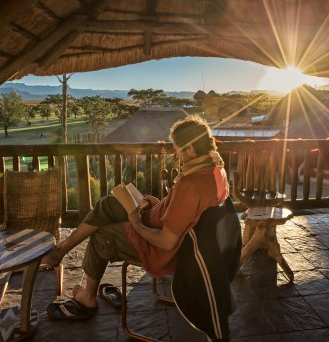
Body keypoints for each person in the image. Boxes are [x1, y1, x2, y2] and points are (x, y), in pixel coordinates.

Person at [45, 115, 239, 336]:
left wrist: (136, 225)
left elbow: (167, 241)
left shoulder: (191, 183)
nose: (176, 154)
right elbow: (183, 212)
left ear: (191, 148)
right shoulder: (215, 169)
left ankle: (88, 297)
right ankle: (63, 249)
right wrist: (153, 203)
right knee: (109, 204)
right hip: (158, 220)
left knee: (102, 236)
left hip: (162, 247)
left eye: (178, 149)